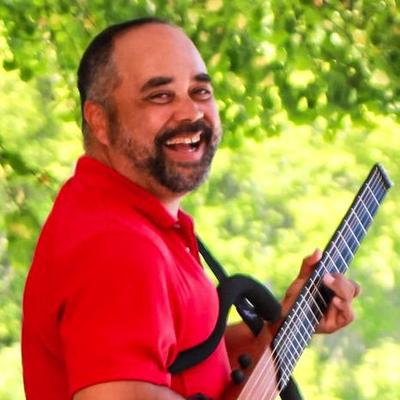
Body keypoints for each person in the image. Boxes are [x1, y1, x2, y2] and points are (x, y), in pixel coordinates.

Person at [21, 17, 360, 400]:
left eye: (200, 92)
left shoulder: (133, 223)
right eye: (160, 96)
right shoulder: (116, 243)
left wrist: (287, 321)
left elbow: (188, 368)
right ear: (99, 121)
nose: (190, 113)